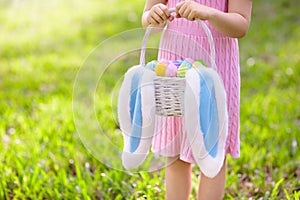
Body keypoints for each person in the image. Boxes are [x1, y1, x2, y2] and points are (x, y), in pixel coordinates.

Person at [141, 0, 252, 199]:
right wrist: (153, 16)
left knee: (212, 151)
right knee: (174, 152)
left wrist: (209, 13)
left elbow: (241, 25)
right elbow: (148, 17)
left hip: (215, 64)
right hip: (175, 67)